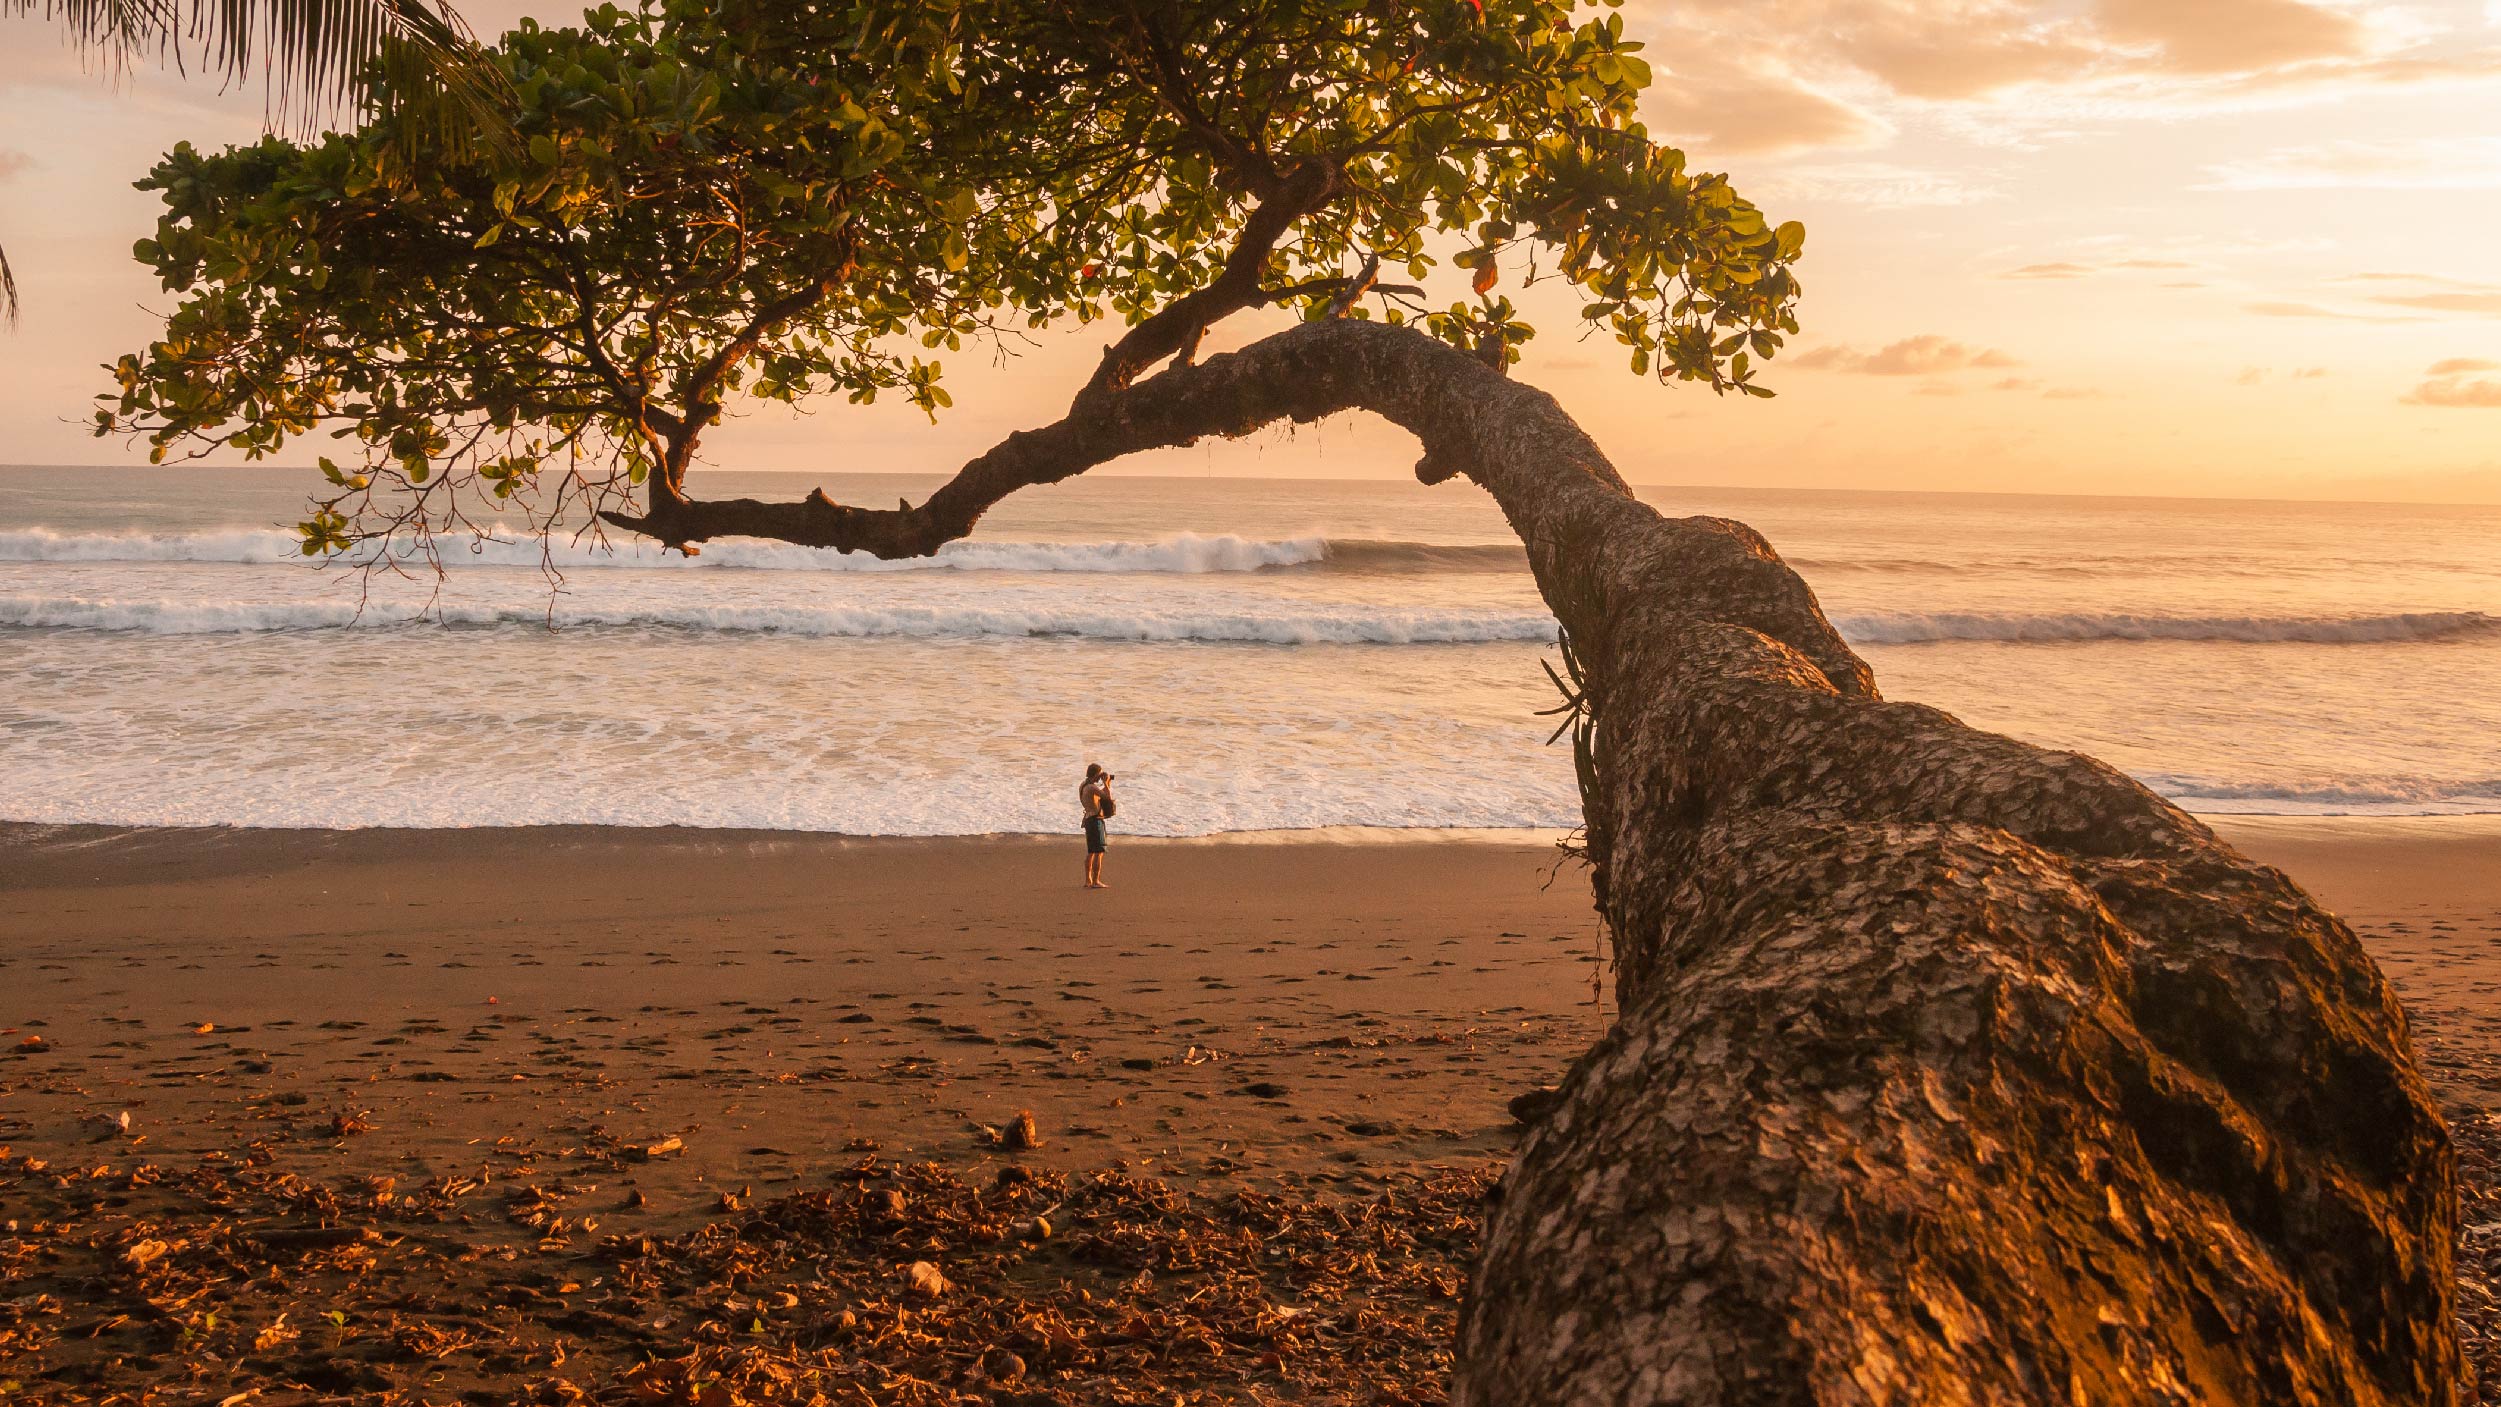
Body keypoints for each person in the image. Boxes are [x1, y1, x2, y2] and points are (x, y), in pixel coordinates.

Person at [1079, 762, 1114, 889]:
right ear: (1096, 774)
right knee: (1099, 852)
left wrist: (1107, 783)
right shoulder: (1093, 788)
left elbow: (1098, 795)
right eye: (1099, 774)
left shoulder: (1084, 785)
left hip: (1088, 819)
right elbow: (1108, 798)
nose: (1100, 776)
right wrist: (1106, 783)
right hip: (1095, 821)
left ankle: (1088, 880)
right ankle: (1096, 881)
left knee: (1091, 852)